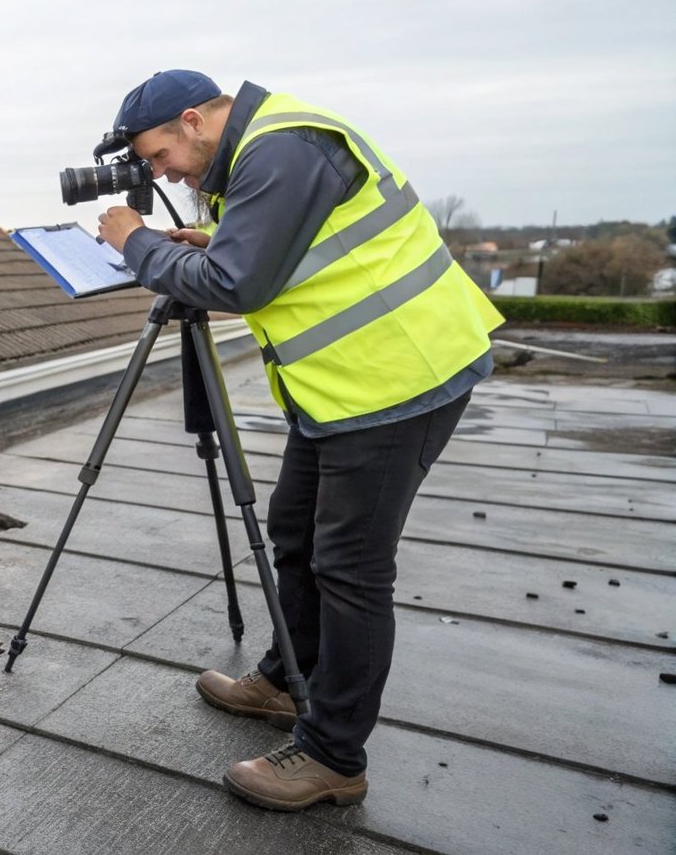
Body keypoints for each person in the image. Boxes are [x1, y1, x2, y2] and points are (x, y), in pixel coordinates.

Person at [94, 70, 504, 811]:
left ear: (192, 121)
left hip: (398, 380)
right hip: (343, 389)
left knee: (350, 569)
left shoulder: (282, 148)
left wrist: (141, 245)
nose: (161, 173)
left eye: (158, 156)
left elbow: (239, 285)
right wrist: (214, 240)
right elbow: (285, 249)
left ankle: (333, 757)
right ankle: (288, 681)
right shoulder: (256, 152)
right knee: (293, 529)